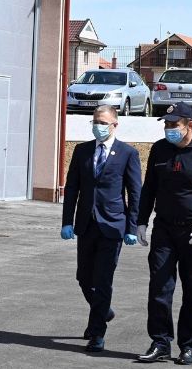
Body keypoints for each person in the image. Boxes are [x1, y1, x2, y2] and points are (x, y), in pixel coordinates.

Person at [135, 102, 192, 365]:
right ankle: (160, 342)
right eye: (166, 124)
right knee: (159, 288)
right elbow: (149, 187)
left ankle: (188, 345)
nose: (169, 129)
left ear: (190, 125)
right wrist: (141, 221)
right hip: (164, 229)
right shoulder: (159, 149)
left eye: (174, 125)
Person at [60, 105, 141, 352]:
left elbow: (135, 191)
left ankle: (97, 333)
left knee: (103, 280)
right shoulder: (82, 151)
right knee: (84, 278)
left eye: (103, 122)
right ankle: (103, 311)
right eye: (95, 121)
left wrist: (132, 226)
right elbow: (72, 187)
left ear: (114, 124)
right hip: (86, 225)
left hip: (113, 226)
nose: (98, 126)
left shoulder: (128, 153)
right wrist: (67, 221)